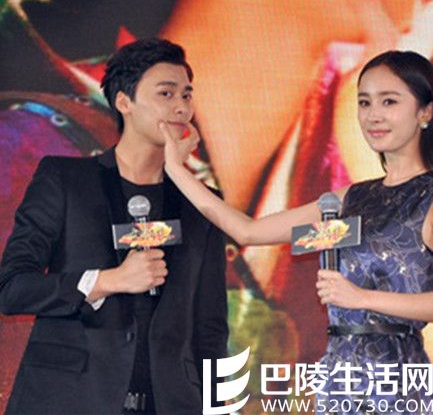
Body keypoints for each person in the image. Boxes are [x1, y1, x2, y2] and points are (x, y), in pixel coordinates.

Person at [161, 50, 433, 413]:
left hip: (396, 380)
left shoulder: (428, 198)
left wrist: (362, 298)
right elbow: (248, 232)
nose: (373, 115)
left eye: (389, 101)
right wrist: (175, 169)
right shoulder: (349, 201)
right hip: (338, 378)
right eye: (365, 102)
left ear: (425, 112)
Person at [0, 38, 228, 415]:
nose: (181, 107)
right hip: (69, 402)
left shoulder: (202, 202)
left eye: (186, 95)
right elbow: (13, 289)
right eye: (166, 93)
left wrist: (216, 407)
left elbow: (210, 329)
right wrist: (108, 281)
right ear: (124, 102)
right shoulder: (65, 180)